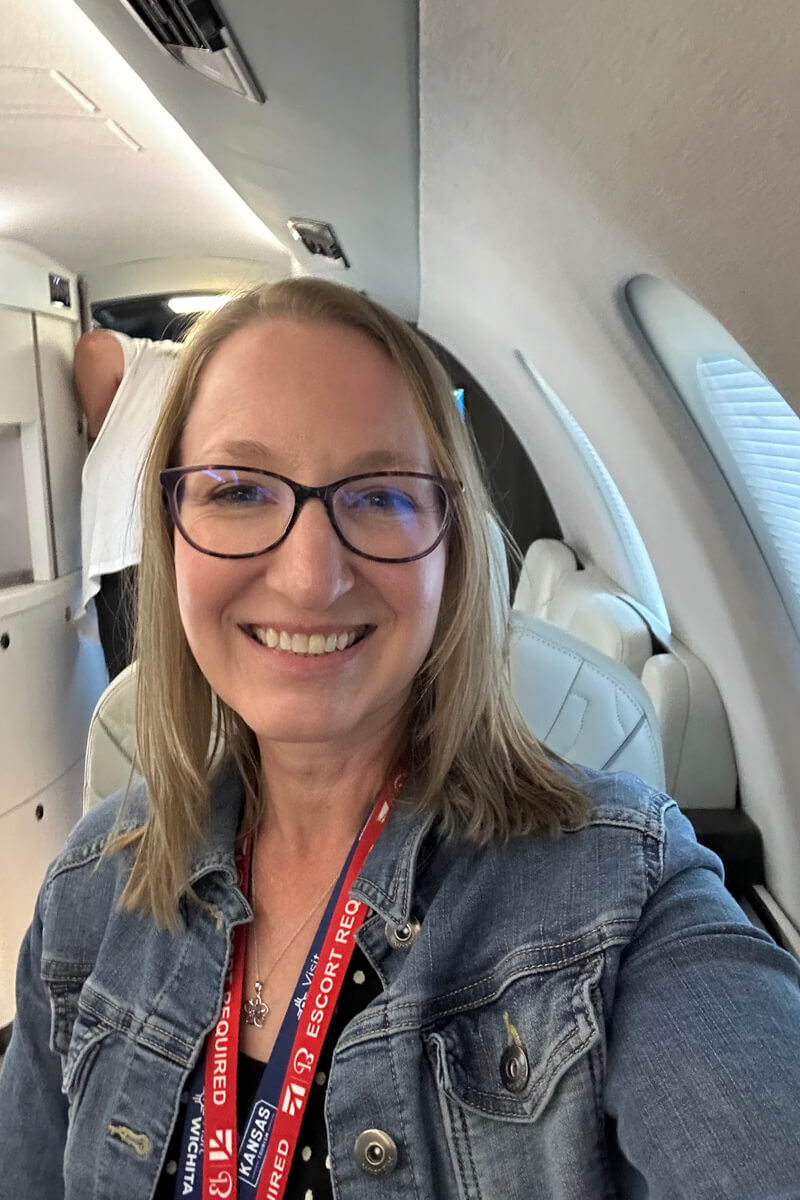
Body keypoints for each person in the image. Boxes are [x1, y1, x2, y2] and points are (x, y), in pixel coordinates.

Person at [2, 278, 799, 1200]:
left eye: (378, 497)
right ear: (171, 532)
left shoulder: (621, 897)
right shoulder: (85, 899)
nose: (308, 579)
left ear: (451, 552)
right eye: (239, 490)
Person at [73, 327, 182, 679]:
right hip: (172, 540)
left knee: (134, 686)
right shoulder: (208, 364)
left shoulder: (150, 355)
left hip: (129, 541)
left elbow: (94, 346)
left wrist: (99, 428)